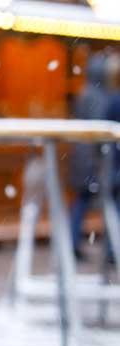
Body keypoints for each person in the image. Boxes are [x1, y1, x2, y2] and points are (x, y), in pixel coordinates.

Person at [69, 52, 111, 261]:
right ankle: (108, 248)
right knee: (97, 202)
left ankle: (73, 242)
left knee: (82, 202)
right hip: (93, 158)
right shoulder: (98, 95)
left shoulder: (85, 92)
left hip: (82, 156)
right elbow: (100, 130)